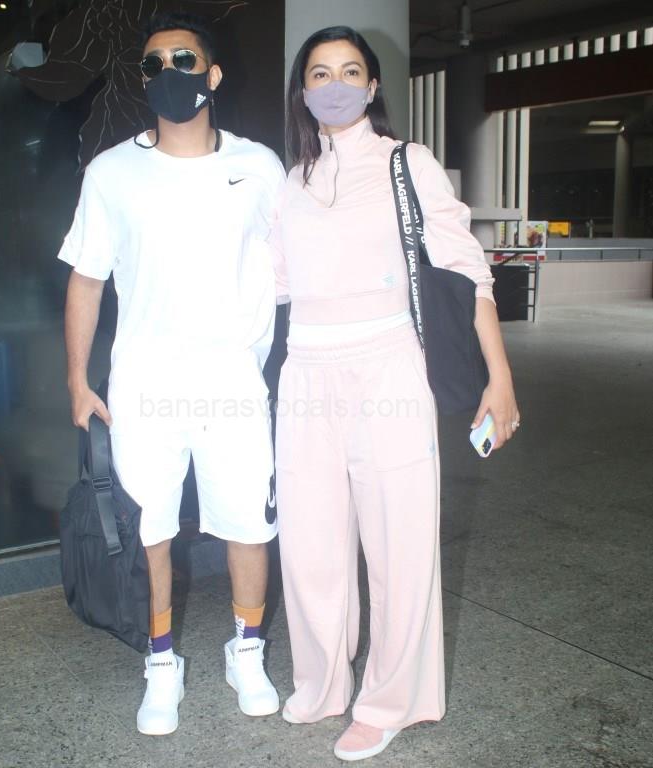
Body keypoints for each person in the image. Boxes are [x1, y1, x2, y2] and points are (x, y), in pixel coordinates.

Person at [273, 26, 520, 762]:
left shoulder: (407, 163)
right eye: (320, 73)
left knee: (398, 543)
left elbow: (466, 270)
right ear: (302, 91)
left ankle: (389, 702)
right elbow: (275, 286)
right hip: (304, 370)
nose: (335, 85)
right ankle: (321, 682)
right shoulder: (290, 182)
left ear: (374, 86)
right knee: (310, 546)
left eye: (350, 71)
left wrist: (500, 376)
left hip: (388, 365)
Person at [59, 11, 285, 736]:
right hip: (144, 384)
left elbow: (293, 268)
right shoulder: (111, 172)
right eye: (153, 64)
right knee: (149, 530)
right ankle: (161, 663)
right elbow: (87, 279)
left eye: (183, 60)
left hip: (232, 382)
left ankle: (246, 650)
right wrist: (77, 380)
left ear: (212, 75)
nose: (168, 74)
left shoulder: (259, 167)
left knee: (249, 524)